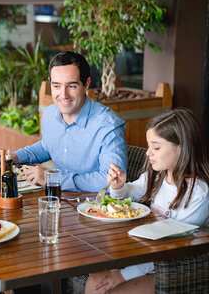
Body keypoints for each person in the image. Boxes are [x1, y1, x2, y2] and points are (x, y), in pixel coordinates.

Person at [85, 108, 209, 294]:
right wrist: (119, 187)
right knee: (93, 283)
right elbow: (130, 193)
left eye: (156, 147)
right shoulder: (158, 177)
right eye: (149, 146)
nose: (148, 153)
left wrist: (123, 275)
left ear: (181, 147)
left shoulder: (198, 193)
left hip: (175, 267)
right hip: (146, 256)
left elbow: (172, 246)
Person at [12, 51, 127, 192]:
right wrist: (15, 157)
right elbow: (47, 146)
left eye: (71, 86)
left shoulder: (108, 125)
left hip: (95, 208)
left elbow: (111, 180)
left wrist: (52, 178)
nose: (63, 95)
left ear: (86, 85)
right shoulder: (49, 114)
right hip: (59, 200)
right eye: (56, 86)